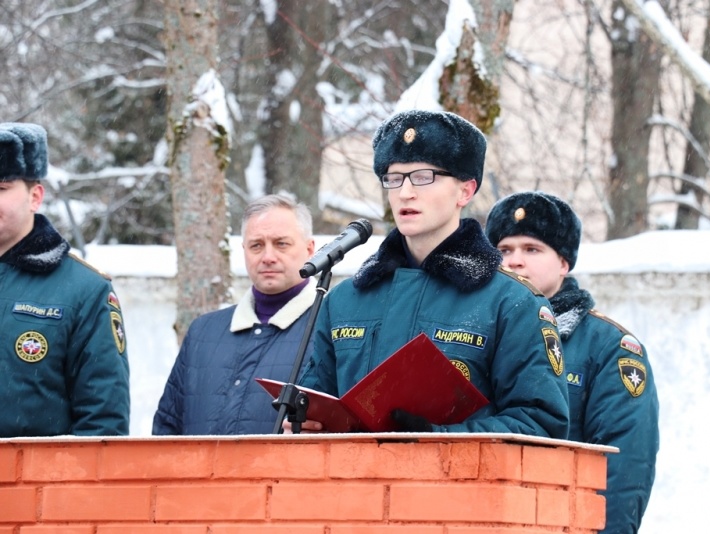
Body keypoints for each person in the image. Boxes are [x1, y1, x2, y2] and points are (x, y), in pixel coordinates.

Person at [290, 110, 569, 436]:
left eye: (423, 177)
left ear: (465, 191)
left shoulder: (510, 302)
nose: (405, 192)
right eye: (394, 178)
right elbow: (316, 405)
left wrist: (438, 438)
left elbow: (540, 424)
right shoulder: (345, 300)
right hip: (355, 485)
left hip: (460, 486)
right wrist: (305, 424)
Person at [485, 191, 659, 533]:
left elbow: (623, 467)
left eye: (532, 249)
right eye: (504, 250)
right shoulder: (474, 335)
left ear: (564, 263)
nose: (515, 261)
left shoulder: (609, 347)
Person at [0, 122, 130, 437]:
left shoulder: (84, 291)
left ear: (35, 196)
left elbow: (102, 425)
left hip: (32, 484)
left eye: (1, 189)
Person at [153, 193, 317, 435]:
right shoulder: (203, 333)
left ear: (309, 249)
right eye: (256, 245)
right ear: (244, 250)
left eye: (281, 243)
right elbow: (166, 432)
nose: (268, 257)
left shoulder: (332, 328)